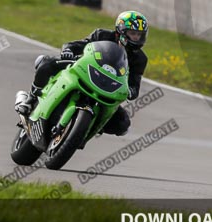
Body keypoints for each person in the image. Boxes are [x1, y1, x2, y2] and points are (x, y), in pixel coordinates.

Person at [15, 11, 149, 137]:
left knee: (123, 124)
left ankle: (90, 126)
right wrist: (69, 50)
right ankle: (30, 99)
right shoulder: (101, 35)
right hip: (84, 70)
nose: (136, 38)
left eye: (139, 35)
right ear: (121, 30)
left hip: (107, 88)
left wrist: (130, 91)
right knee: (45, 62)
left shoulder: (140, 59)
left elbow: (134, 84)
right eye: (133, 33)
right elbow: (78, 44)